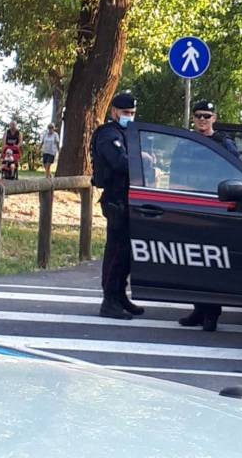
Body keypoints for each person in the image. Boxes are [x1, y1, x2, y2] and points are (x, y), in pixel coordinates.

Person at [179, 99, 239, 332]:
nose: (202, 120)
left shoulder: (224, 143)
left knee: (213, 262)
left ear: (214, 118)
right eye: (198, 116)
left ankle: (212, 313)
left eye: (206, 116)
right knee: (194, 262)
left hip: (216, 208)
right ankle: (198, 309)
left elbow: (236, 170)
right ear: (193, 118)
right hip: (191, 206)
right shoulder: (185, 143)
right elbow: (176, 172)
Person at [92, 92, 144, 320]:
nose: (129, 117)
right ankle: (109, 300)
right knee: (116, 251)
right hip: (116, 199)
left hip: (129, 199)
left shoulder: (127, 133)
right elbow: (119, 162)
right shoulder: (108, 134)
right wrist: (141, 159)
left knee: (127, 253)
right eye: (125, 113)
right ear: (114, 111)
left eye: (132, 113)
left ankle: (120, 295)